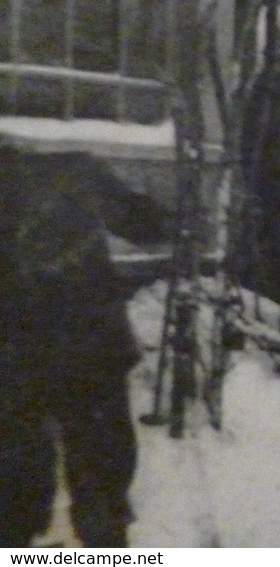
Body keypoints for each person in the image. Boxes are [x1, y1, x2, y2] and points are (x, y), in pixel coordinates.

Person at [1, 145, 169, 546]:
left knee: (16, 472)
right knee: (100, 472)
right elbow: (144, 224)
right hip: (90, 346)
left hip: (17, 351)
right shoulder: (75, 167)